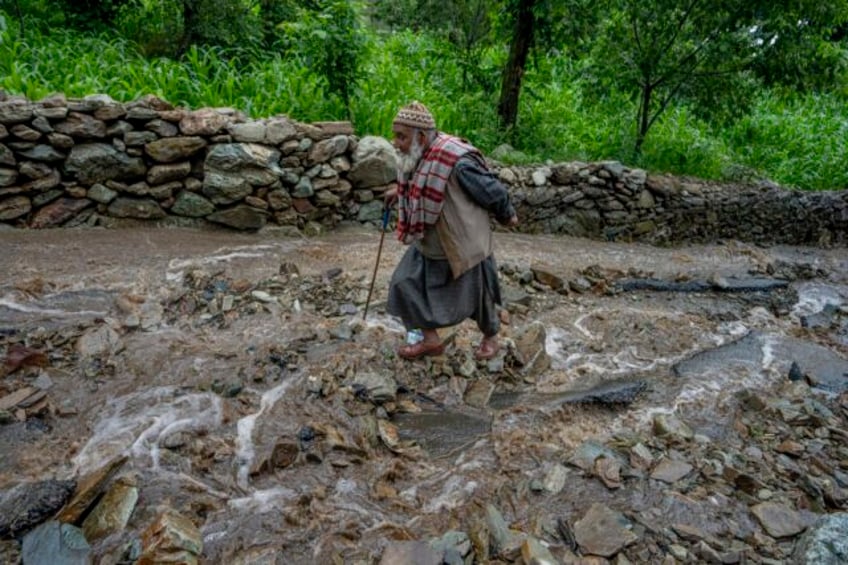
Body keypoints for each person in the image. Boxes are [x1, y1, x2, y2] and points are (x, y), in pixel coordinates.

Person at [384, 101, 518, 361]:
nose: (395, 142)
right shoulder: (419, 153)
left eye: (401, 136)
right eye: (395, 135)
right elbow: (420, 179)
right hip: (429, 241)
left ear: (421, 137)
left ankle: (491, 339)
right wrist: (397, 191)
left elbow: (494, 192)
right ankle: (430, 340)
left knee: (481, 295)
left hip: (461, 241)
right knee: (403, 283)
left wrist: (507, 215)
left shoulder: (457, 162)